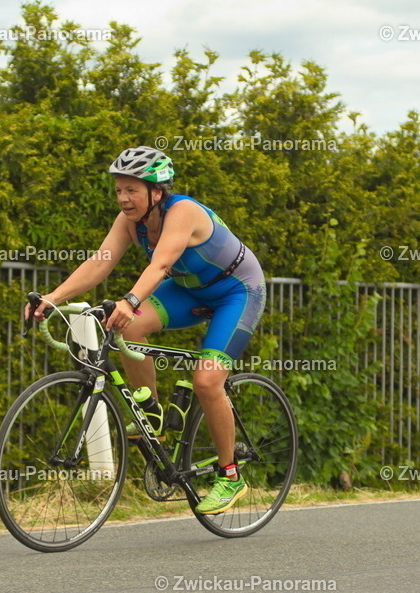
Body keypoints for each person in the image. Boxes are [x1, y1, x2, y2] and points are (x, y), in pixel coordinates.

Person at [26, 146, 266, 514]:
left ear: (157, 192)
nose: (123, 198)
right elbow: (100, 263)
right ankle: (150, 408)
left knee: (205, 382)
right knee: (127, 329)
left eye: (131, 190)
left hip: (238, 291)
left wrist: (131, 300)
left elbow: (162, 264)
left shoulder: (183, 211)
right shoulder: (129, 222)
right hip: (190, 290)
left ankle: (230, 476)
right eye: (119, 190)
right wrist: (52, 297)